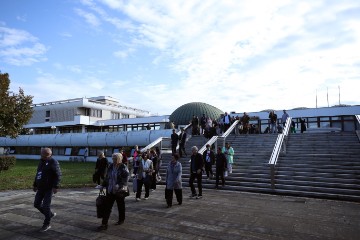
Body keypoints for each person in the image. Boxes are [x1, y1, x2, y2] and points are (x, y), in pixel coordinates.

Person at [97, 153, 129, 231]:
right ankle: (104, 224)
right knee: (107, 207)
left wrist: (119, 185)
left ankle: (121, 219)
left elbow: (126, 179)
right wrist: (102, 186)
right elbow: (107, 177)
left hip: (119, 191)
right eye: (113, 158)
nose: (113, 160)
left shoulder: (123, 167)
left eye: (115, 158)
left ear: (119, 159)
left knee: (120, 206)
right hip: (110, 190)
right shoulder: (111, 166)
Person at [33, 148, 61, 232]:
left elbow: (58, 175)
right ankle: (50, 214)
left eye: (46, 156)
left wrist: (55, 186)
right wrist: (35, 185)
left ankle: (46, 224)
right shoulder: (41, 162)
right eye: (43, 156)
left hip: (49, 188)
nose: (44, 157)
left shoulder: (53, 162)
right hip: (41, 187)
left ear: (50, 155)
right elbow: (38, 173)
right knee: (36, 204)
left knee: (46, 206)